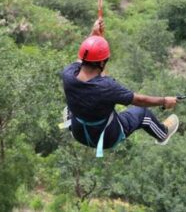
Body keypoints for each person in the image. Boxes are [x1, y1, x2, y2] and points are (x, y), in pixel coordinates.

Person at [61, 19, 179, 157]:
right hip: (106, 138)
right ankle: (163, 133)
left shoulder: (68, 73)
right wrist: (164, 101)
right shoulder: (108, 87)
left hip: (78, 132)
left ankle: (69, 118)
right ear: (101, 63)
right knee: (142, 114)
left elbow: (83, 58)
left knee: (72, 104)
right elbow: (139, 100)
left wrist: (93, 35)